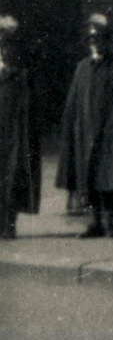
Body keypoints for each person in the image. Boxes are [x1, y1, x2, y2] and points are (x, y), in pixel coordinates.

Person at [56, 13, 113, 238]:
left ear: (107, 41)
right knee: (88, 178)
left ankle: (109, 222)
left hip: (109, 132)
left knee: (108, 179)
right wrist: (71, 130)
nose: (95, 43)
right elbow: (73, 102)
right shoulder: (82, 68)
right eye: (92, 40)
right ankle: (94, 222)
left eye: (99, 39)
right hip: (85, 132)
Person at [0, 16, 39, 240]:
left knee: (12, 176)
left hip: (13, 135)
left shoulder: (20, 76)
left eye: (7, 45)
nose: (4, 51)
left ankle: (9, 223)